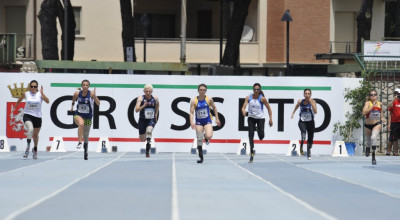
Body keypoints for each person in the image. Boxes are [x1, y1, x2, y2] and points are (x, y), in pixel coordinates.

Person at [13, 80, 50, 159]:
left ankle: (35, 149)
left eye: (35, 87)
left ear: (37, 87)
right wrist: (15, 107)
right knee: (30, 129)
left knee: (35, 135)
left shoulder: (40, 94)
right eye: (32, 86)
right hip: (27, 115)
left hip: (37, 117)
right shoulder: (26, 94)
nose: (33, 88)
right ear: (29, 87)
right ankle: (27, 148)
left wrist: (42, 93)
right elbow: (19, 100)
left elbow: (48, 101)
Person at [241, 83, 273, 163]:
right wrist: (243, 111)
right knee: (250, 135)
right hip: (251, 118)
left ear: (260, 90)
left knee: (261, 136)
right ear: (253, 89)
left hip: (260, 118)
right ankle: (251, 152)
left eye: (258, 89)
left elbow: (269, 108)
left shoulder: (262, 99)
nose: (256, 91)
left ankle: (259, 130)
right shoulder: (248, 97)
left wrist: (270, 119)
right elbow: (244, 106)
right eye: (255, 89)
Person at [190, 84, 221, 163]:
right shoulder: (194, 101)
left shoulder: (209, 99)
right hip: (199, 122)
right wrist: (191, 122)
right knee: (199, 139)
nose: (202, 91)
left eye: (204, 90)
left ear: (206, 91)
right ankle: (201, 157)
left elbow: (214, 107)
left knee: (209, 135)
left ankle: (206, 137)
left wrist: (217, 118)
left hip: (207, 120)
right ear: (198, 90)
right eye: (201, 90)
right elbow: (191, 112)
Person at [70, 80, 100, 160]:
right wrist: (72, 106)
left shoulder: (91, 94)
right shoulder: (77, 93)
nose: (85, 86)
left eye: (87, 85)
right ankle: (79, 142)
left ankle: (85, 151)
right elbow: (73, 99)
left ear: (89, 86)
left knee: (86, 136)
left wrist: (95, 97)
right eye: (84, 85)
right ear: (82, 86)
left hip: (88, 117)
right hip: (78, 114)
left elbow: (98, 103)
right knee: (81, 123)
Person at [291, 88, 317, 160]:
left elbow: (315, 112)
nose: (307, 95)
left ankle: (309, 151)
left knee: (310, 139)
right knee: (303, 135)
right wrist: (293, 113)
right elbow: (296, 106)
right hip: (302, 121)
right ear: (304, 94)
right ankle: (302, 144)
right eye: (306, 93)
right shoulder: (300, 101)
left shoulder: (313, 101)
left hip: (311, 122)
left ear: (310, 94)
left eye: (309, 94)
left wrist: (312, 104)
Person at [135, 84, 159, 158]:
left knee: (149, 131)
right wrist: (143, 106)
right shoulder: (140, 98)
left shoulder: (155, 98)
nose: (148, 93)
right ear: (144, 91)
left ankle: (148, 147)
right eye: (146, 91)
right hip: (142, 119)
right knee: (141, 138)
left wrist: (156, 114)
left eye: (149, 91)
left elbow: (157, 104)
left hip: (151, 118)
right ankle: (146, 137)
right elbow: (136, 110)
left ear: (151, 91)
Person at [362, 90, 385, 165]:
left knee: (373, 138)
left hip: (376, 123)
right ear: (369, 96)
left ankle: (373, 156)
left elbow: (381, 112)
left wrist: (382, 118)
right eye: (371, 95)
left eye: (374, 95)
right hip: (368, 124)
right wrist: (372, 106)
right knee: (368, 141)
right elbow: (364, 112)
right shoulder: (367, 103)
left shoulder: (380, 104)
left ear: (377, 96)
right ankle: (368, 148)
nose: (373, 96)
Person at [387, 89, 400, 156]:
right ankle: (395, 152)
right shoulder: (394, 102)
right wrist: (393, 100)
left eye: (398, 94)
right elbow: (388, 106)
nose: (398, 95)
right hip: (395, 123)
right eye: (396, 94)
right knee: (395, 138)